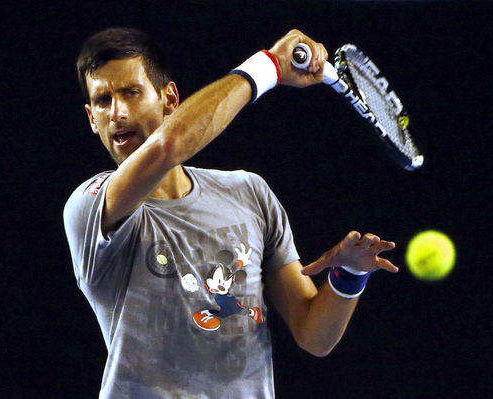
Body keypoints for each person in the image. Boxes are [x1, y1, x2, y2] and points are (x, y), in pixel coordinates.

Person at [64, 27, 399, 399]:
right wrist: (270, 66)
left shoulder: (248, 193)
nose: (118, 113)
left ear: (170, 99)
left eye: (131, 93)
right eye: (102, 101)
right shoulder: (91, 206)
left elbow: (314, 335)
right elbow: (170, 146)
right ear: (91, 118)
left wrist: (349, 273)